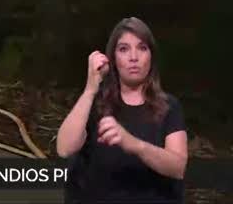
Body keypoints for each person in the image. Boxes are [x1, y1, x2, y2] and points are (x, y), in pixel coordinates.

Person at [57, 17, 188, 203]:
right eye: (124, 49)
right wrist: (90, 88)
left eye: (142, 48)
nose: (133, 57)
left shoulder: (169, 107)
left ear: (151, 56)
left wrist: (134, 144)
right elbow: (64, 148)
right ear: (113, 58)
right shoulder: (95, 103)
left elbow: (177, 167)